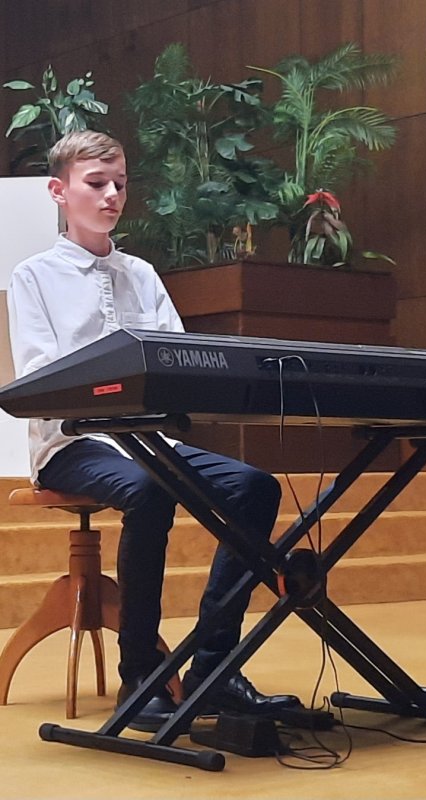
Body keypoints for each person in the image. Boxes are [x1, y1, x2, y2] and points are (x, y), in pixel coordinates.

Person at [6, 130, 300, 732]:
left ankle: (215, 671)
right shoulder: (34, 276)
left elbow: (178, 359)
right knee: (149, 488)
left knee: (255, 487)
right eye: (96, 184)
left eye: (119, 183)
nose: (112, 195)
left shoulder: (140, 273)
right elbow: (41, 378)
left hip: (151, 442)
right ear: (59, 191)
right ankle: (139, 674)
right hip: (73, 444)